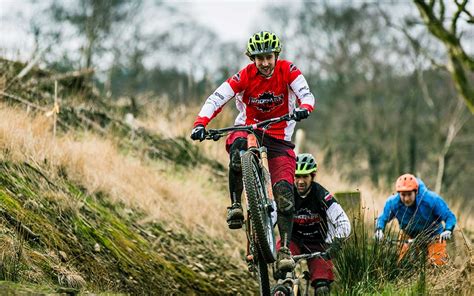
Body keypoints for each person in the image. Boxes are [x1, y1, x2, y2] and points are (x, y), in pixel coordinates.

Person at [190, 31, 315, 272]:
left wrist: (305, 107)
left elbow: (306, 93)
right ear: (252, 59)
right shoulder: (245, 76)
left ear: (276, 55)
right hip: (249, 129)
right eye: (259, 58)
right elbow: (217, 97)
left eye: (269, 57)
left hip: (280, 136)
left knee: (285, 196)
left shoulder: (288, 70)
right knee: (237, 149)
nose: (265, 63)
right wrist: (200, 123)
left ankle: (285, 250)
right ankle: (236, 205)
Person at [278, 153, 351, 295]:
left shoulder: (322, 195)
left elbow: (344, 222)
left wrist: (336, 244)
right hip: (293, 241)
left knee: (322, 287)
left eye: (304, 176)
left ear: (312, 176)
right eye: (297, 176)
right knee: (284, 273)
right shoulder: (287, 193)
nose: (300, 181)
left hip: (318, 243)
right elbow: (272, 216)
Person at [374, 173, 456, 265]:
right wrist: (379, 229)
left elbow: (449, 216)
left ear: (416, 192)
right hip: (408, 236)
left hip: (433, 236)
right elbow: (382, 218)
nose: (406, 198)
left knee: (437, 265)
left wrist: (448, 229)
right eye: (403, 195)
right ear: (398, 193)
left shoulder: (431, 199)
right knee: (403, 264)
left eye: (409, 194)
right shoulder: (393, 203)